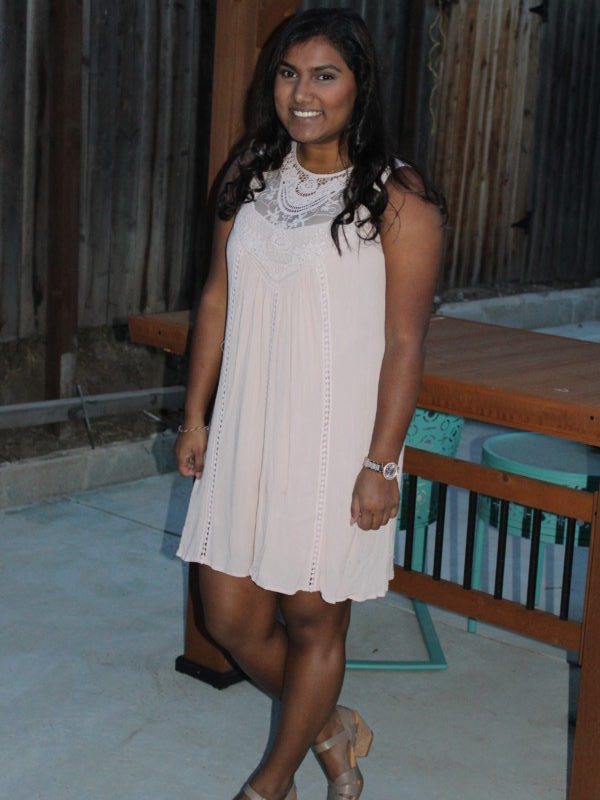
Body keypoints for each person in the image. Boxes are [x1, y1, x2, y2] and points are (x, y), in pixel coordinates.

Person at [174, 8, 444, 800]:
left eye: (325, 75)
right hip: (247, 429)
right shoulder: (250, 173)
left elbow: (405, 344)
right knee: (229, 617)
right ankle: (330, 727)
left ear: (359, 86)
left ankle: (269, 785)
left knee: (312, 620)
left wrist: (381, 464)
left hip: (336, 442)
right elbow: (216, 298)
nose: (303, 93)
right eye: (289, 74)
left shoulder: (397, 198)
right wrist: (196, 415)